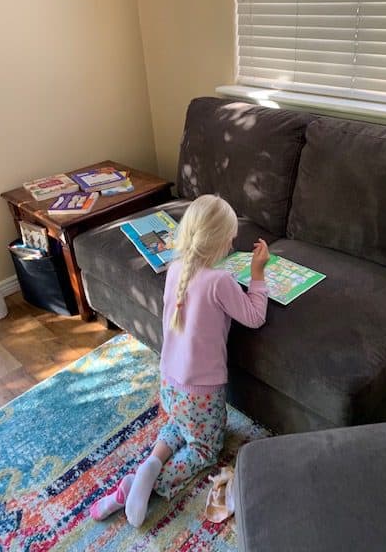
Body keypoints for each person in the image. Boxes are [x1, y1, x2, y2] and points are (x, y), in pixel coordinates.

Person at [90, 194, 269, 526]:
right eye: (230, 240)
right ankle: (141, 486)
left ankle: (151, 463)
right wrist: (258, 272)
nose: (232, 245)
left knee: (179, 425)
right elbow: (255, 315)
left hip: (170, 384)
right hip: (201, 392)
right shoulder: (221, 281)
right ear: (220, 244)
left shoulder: (175, 270)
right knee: (204, 448)